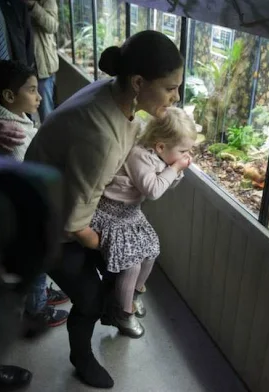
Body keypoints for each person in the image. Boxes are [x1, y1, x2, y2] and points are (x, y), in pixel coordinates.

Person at [24, 30, 184, 389]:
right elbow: (77, 223)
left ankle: (116, 310)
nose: (176, 96)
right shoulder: (101, 134)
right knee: (92, 296)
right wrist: (113, 247)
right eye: (171, 87)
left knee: (124, 261)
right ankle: (81, 357)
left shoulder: (114, 95)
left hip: (63, 201)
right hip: (46, 221)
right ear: (139, 82)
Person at [92, 107, 195, 338]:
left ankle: (135, 294)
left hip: (131, 212)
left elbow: (167, 182)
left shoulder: (160, 156)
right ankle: (122, 313)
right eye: (183, 150)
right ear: (160, 147)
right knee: (132, 265)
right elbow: (154, 190)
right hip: (112, 214)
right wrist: (176, 168)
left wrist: (175, 169)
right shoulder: (140, 156)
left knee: (151, 252)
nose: (187, 156)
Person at [0, 59, 70, 329]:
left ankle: (42, 294)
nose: (38, 96)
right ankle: (36, 309)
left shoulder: (11, 117)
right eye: (32, 90)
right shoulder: (12, 135)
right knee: (37, 263)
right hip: (25, 215)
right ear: (10, 96)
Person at [27, 0, 59, 122]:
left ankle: (51, 139)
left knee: (46, 112)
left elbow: (52, 26)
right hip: (23, 64)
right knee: (24, 111)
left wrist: (33, 6)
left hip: (41, 66)